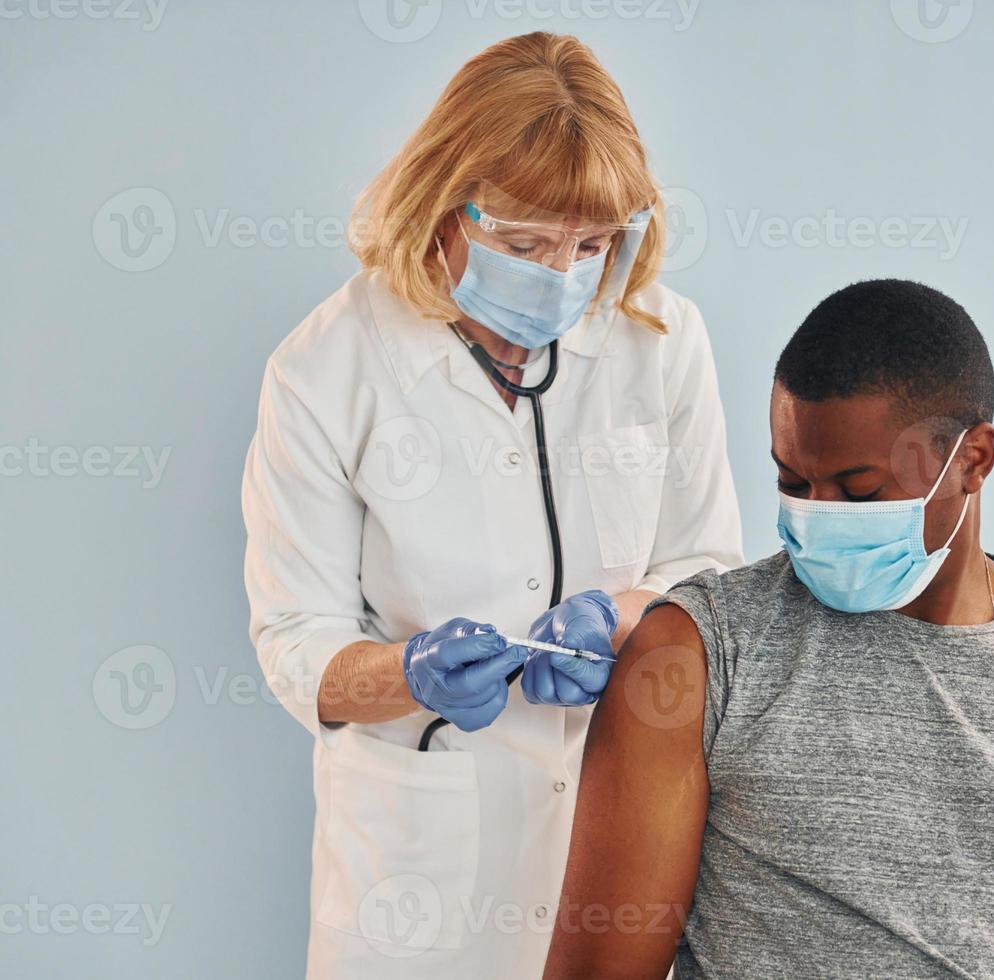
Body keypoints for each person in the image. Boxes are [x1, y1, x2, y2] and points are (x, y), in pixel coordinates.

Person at [240, 33, 742, 980]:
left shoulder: (663, 341)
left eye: (593, 244)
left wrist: (626, 618)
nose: (562, 274)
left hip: (623, 832)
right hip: (413, 879)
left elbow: (709, 572)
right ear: (445, 206)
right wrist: (410, 674)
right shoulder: (325, 370)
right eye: (523, 242)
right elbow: (293, 642)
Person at [543, 279, 994, 979]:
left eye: (860, 492)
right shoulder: (698, 652)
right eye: (794, 484)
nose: (817, 515)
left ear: (974, 459)